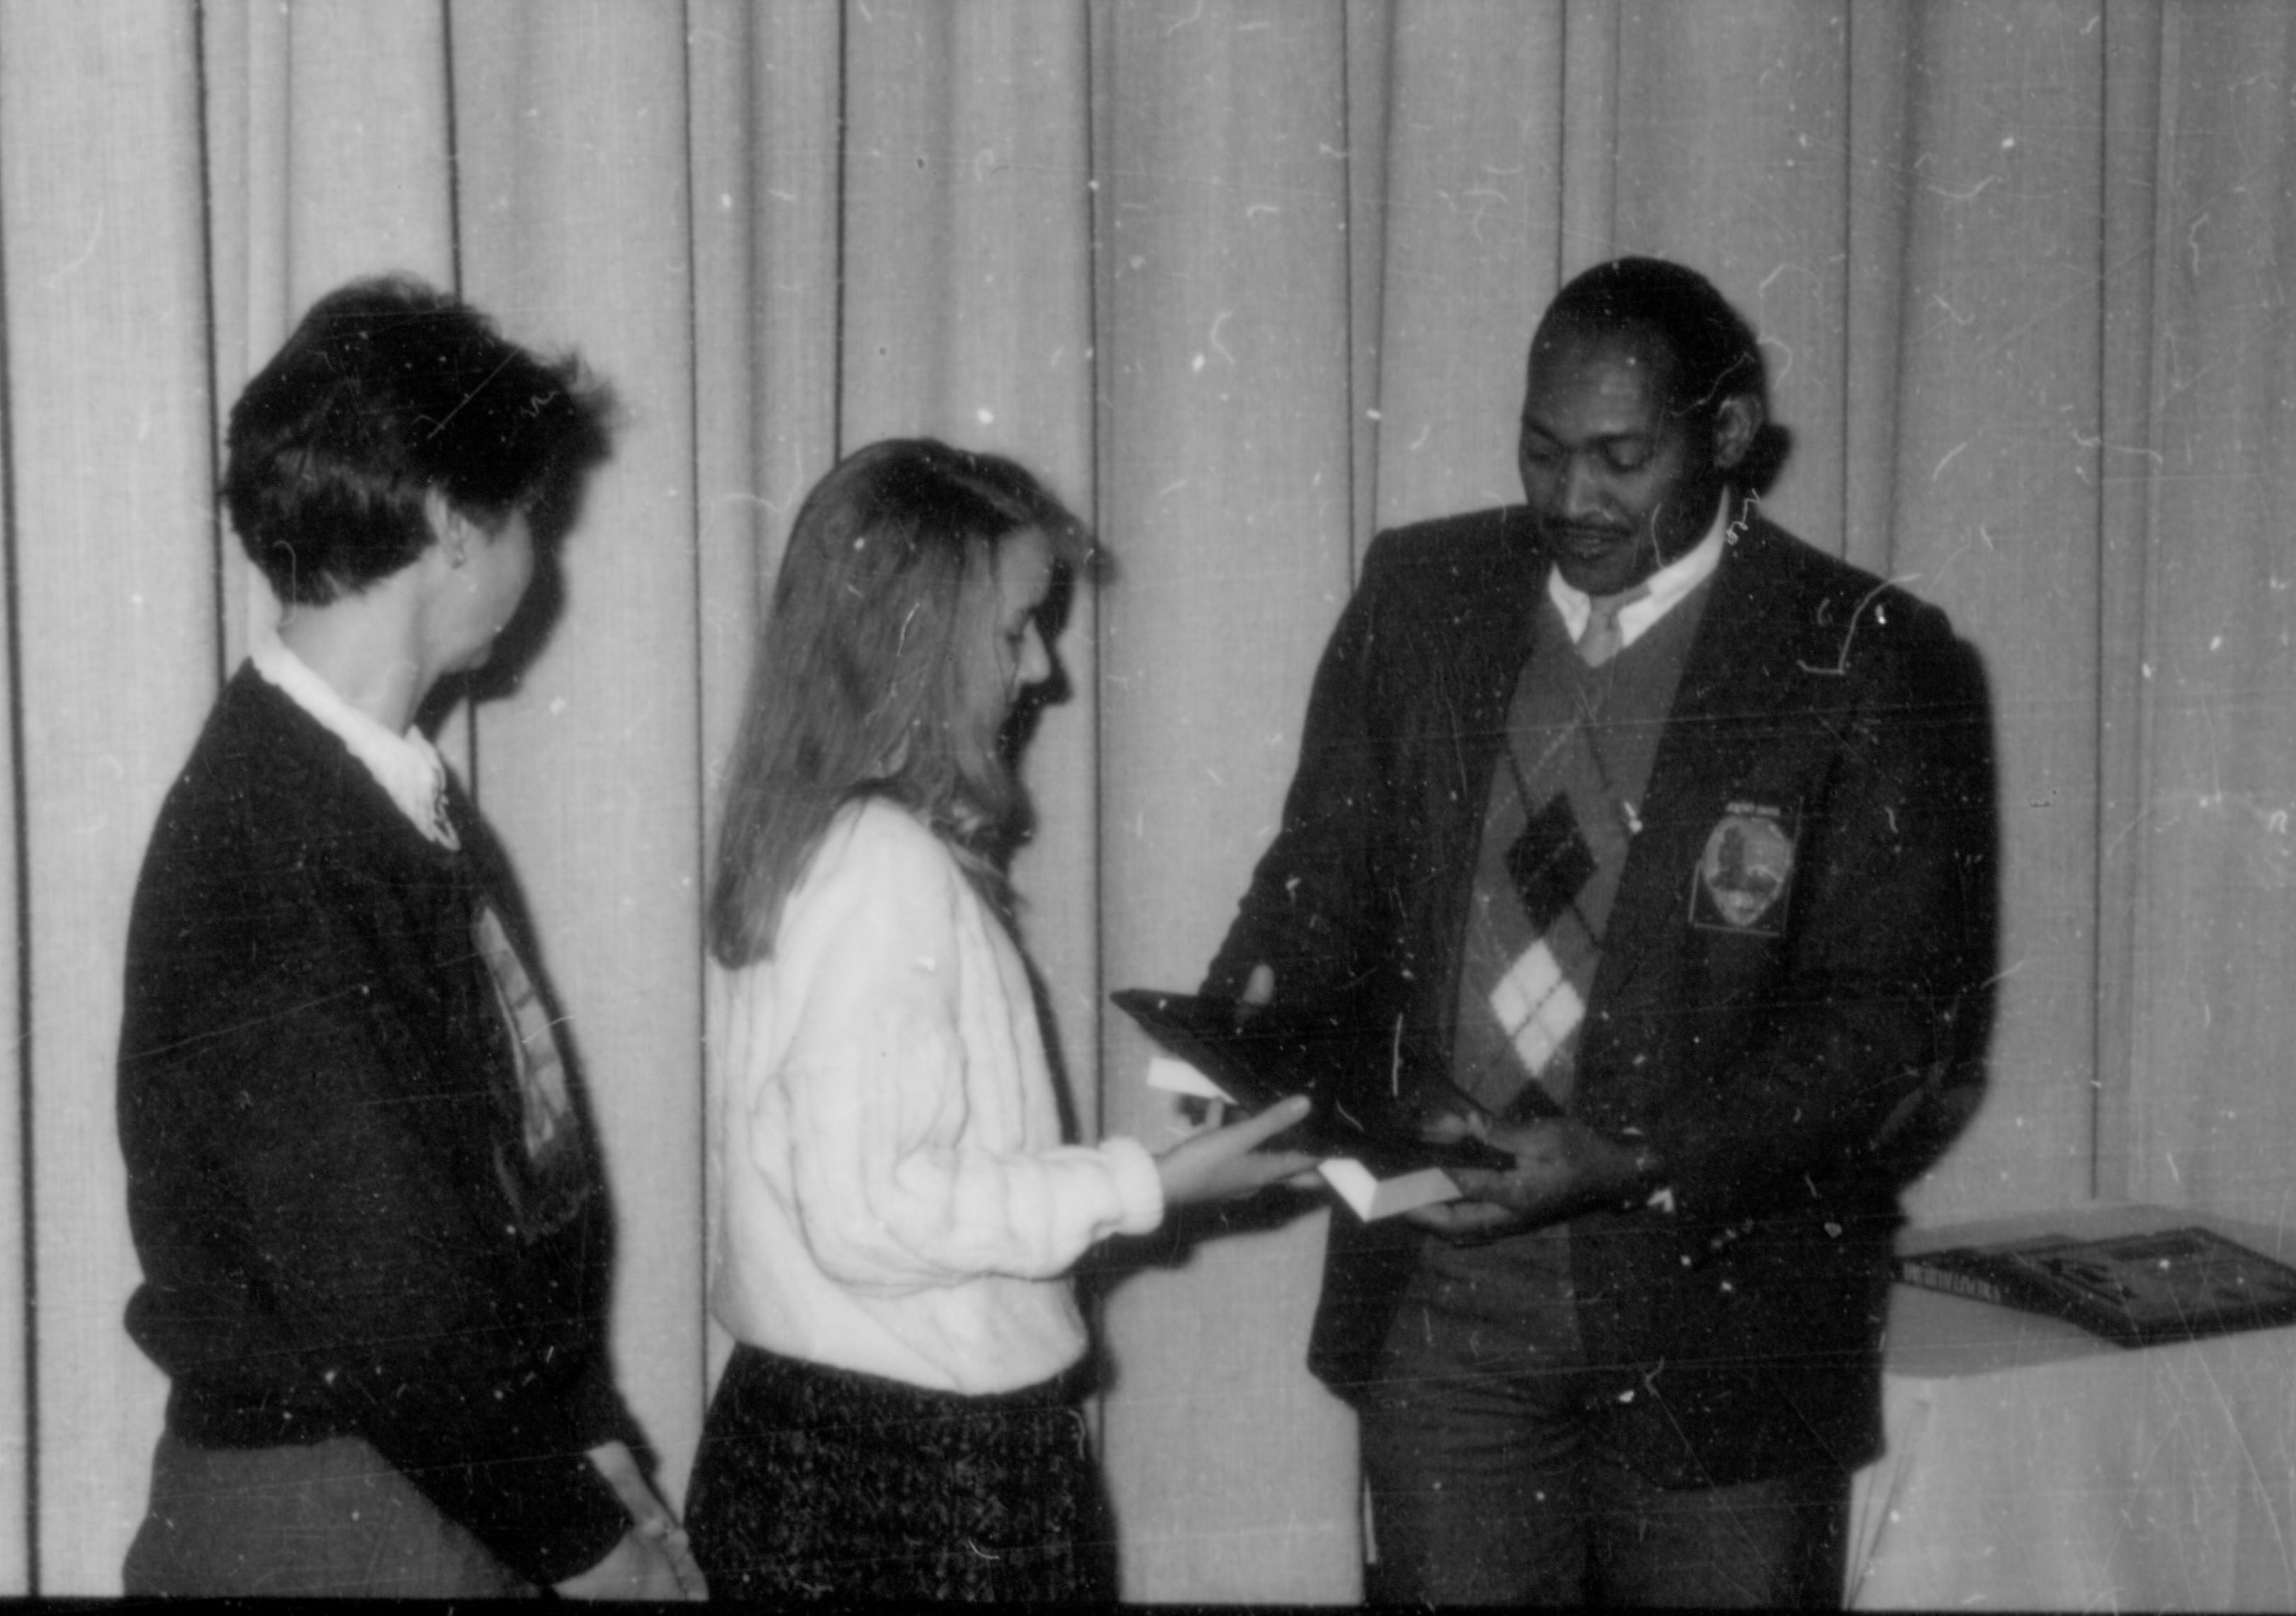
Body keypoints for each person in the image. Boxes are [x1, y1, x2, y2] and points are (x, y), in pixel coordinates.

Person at [1203, 257, 1998, 1607]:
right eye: (1543, 450)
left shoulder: (1866, 653)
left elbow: (1894, 1029)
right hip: (1443, 1308)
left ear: (1730, 438)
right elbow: (1317, 877)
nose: (1572, 500)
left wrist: (1633, 1157)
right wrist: (1259, 1032)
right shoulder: (1422, 592)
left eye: (1622, 459)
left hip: (1720, 1323)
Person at [116, 275, 699, 1599]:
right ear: (450, 524)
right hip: (334, 1517)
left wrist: (588, 1438)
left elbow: (505, 1193)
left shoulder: (383, 799)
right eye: (529, 516)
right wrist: (583, 1539)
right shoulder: (268, 841)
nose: (536, 557)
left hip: (427, 1479)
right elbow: (388, 1300)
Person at [685, 437, 1316, 1603]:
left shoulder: (815, 839)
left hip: (820, 1448)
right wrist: (1151, 1187)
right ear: (917, 637)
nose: (1042, 673)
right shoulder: (885, 866)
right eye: (1018, 626)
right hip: (918, 1477)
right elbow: (877, 1211)